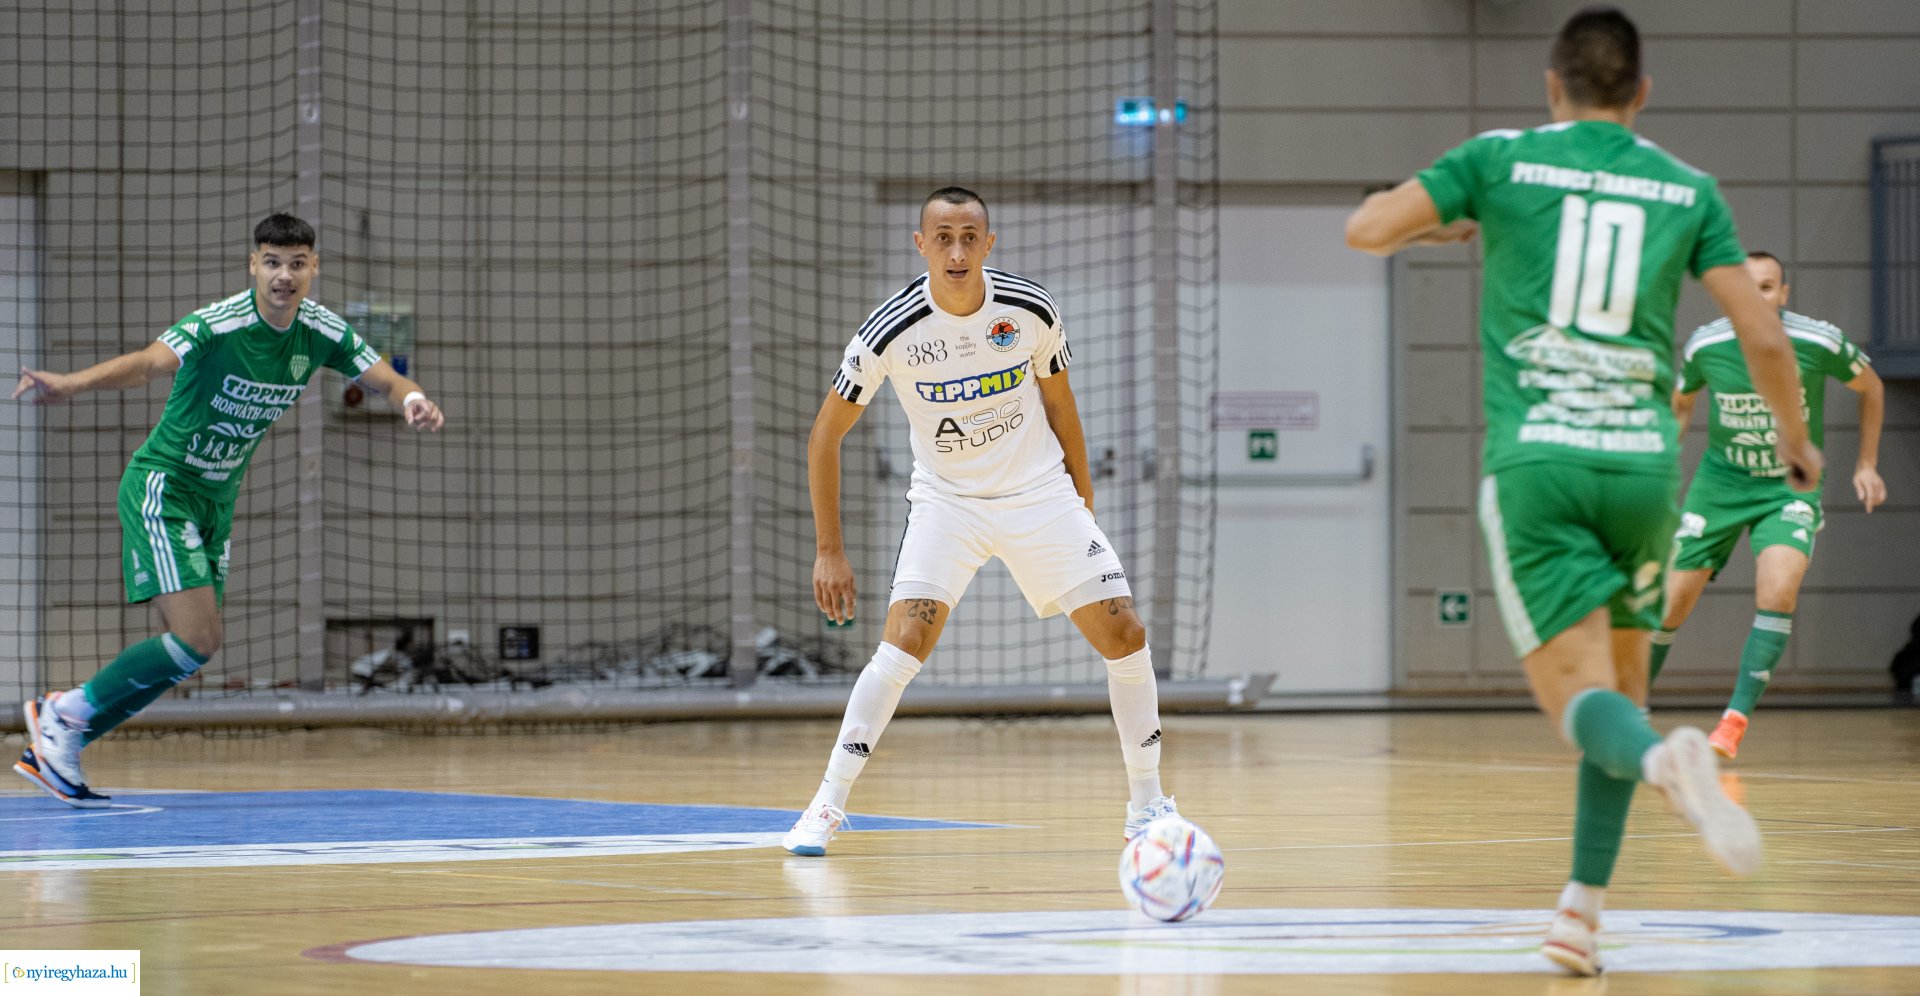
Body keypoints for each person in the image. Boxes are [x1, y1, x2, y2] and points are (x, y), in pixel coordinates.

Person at [1343, 6, 1821, 977]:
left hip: (1542, 465)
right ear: (1641, 94)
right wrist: (1797, 438)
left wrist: (1451, 228)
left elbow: (1366, 230)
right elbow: (1764, 339)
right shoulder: (1688, 189)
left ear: (1551, 85)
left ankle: (1662, 766)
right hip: (1645, 469)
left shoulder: (1502, 158)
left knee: (1578, 702)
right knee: (1625, 691)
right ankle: (1580, 914)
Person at [782, 186, 1173, 855]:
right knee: (902, 644)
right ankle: (827, 802)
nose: (957, 251)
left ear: (989, 244)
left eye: (970, 237)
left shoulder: (1029, 310)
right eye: (943, 237)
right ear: (920, 245)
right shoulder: (890, 331)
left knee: (1125, 632)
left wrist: (1080, 502)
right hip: (948, 504)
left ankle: (1148, 803)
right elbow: (825, 436)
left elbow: (1062, 406)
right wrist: (830, 552)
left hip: (1039, 495)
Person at [11, 213, 444, 807]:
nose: (283, 276)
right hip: (163, 488)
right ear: (253, 266)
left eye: (296, 264)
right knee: (193, 638)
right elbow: (145, 364)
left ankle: (64, 732)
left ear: (313, 267)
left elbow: (386, 380)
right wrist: (71, 384)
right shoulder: (218, 323)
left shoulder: (321, 331)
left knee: (200, 646)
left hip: (216, 500)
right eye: (272, 262)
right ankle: (63, 713)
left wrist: (414, 399)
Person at [1653, 251, 1886, 757]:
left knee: (1779, 590)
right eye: (1745, 285)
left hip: (1788, 487)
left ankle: (1733, 722)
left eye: (1767, 287)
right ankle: (1627, 711)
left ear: (1783, 294)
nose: (1756, 296)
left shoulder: (1817, 341)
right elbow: (1683, 399)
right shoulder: (1706, 345)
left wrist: (1865, 464)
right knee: (1668, 605)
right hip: (1720, 486)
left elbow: (1872, 387)